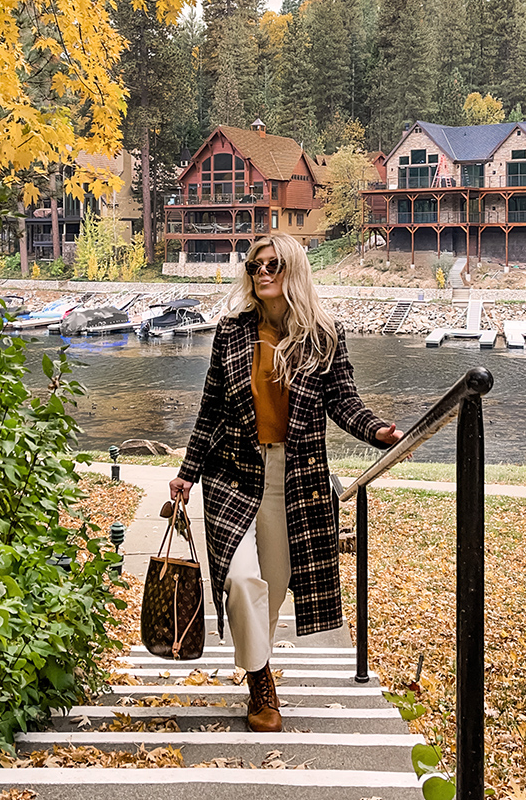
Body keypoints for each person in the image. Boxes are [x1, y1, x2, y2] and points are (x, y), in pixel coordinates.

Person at [169, 234, 403, 733]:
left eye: (272, 264)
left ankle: (256, 663)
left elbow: (343, 402)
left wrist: (378, 431)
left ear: (292, 268)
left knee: (270, 592)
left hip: (293, 479)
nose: (262, 273)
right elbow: (210, 410)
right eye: (254, 266)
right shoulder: (231, 333)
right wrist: (188, 472)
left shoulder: (323, 335)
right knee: (241, 579)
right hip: (233, 472)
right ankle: (261, 683)